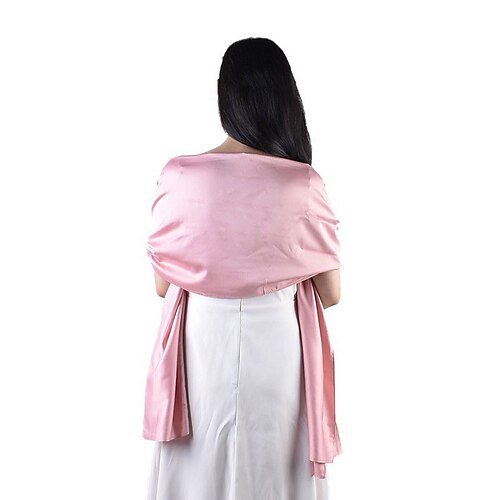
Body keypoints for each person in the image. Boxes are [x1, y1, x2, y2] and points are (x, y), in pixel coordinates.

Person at [145, 37, 341, 500]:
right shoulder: (302, 182)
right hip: (277, 346)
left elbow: (162, 285)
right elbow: (331, 293)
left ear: (221, 92)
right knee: (276, 463)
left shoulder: (180, 176)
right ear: (284, 96)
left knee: (197, 464)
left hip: (201, 346)